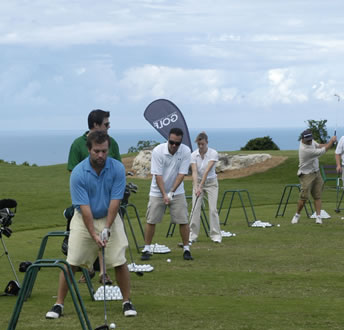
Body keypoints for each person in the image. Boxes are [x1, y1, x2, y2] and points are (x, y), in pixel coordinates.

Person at [46, 130, 137, 319]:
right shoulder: (78, 173)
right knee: (73, 260)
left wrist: (107, 228)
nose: (101, 155)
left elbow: (115, 201)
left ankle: (126, 301)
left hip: (109, 216)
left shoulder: (118, 168)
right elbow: (85, 208)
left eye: (104, 151)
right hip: (83, 218)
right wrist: (94, 234)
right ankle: (58, 304)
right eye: (97, 151)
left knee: (119, 259)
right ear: (89, 149)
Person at [66, 109, 122, 284]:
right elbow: (74, 171)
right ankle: (88, 269)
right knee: (84, 241)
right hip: (84, 201)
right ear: (95, 125)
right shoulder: (77, 144)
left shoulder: (112, 143)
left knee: (106, 237)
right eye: (106, 124)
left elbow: (116, 168)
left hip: (107, 202)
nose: (109, 126)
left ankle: (103, 272)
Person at [141, 127, 193, 261]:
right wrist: (164, 194)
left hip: (177, 191)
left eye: (177, 143)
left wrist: (171, 192)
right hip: (157, 191)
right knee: (151, 220)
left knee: (183, 220)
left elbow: (182, 174)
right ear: (168, 140)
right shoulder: (158, 151)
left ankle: (186, 249)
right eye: (172, 142)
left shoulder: (186, 151)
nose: (174, 146)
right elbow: (157, 175)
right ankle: (146, 248)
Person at [290, 129, 337, 225]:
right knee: (304, 197)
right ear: (303, 139)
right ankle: (297, 215)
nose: (310, 141)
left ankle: (318, 217)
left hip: (316, 172)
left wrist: (329, 143)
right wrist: (331, 142)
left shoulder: (310, 141)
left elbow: (319, 145)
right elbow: (323, 151)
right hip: (306, 174)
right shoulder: (305, 150)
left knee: (317, 195)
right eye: (308, 140)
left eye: (311, 139)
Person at [189, 132, 222, 243]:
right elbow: (194, 172)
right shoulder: (193, 155)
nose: (201, 146)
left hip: (211, 183)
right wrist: (196, 187)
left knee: (213, 209)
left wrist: (201, 185)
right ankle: (192, 236)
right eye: (199, 144)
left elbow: (207, 171)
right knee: (195, 209)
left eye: (203, 144)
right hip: (198, 182)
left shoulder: (213, 153)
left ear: (207, 142)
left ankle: (216, 236)